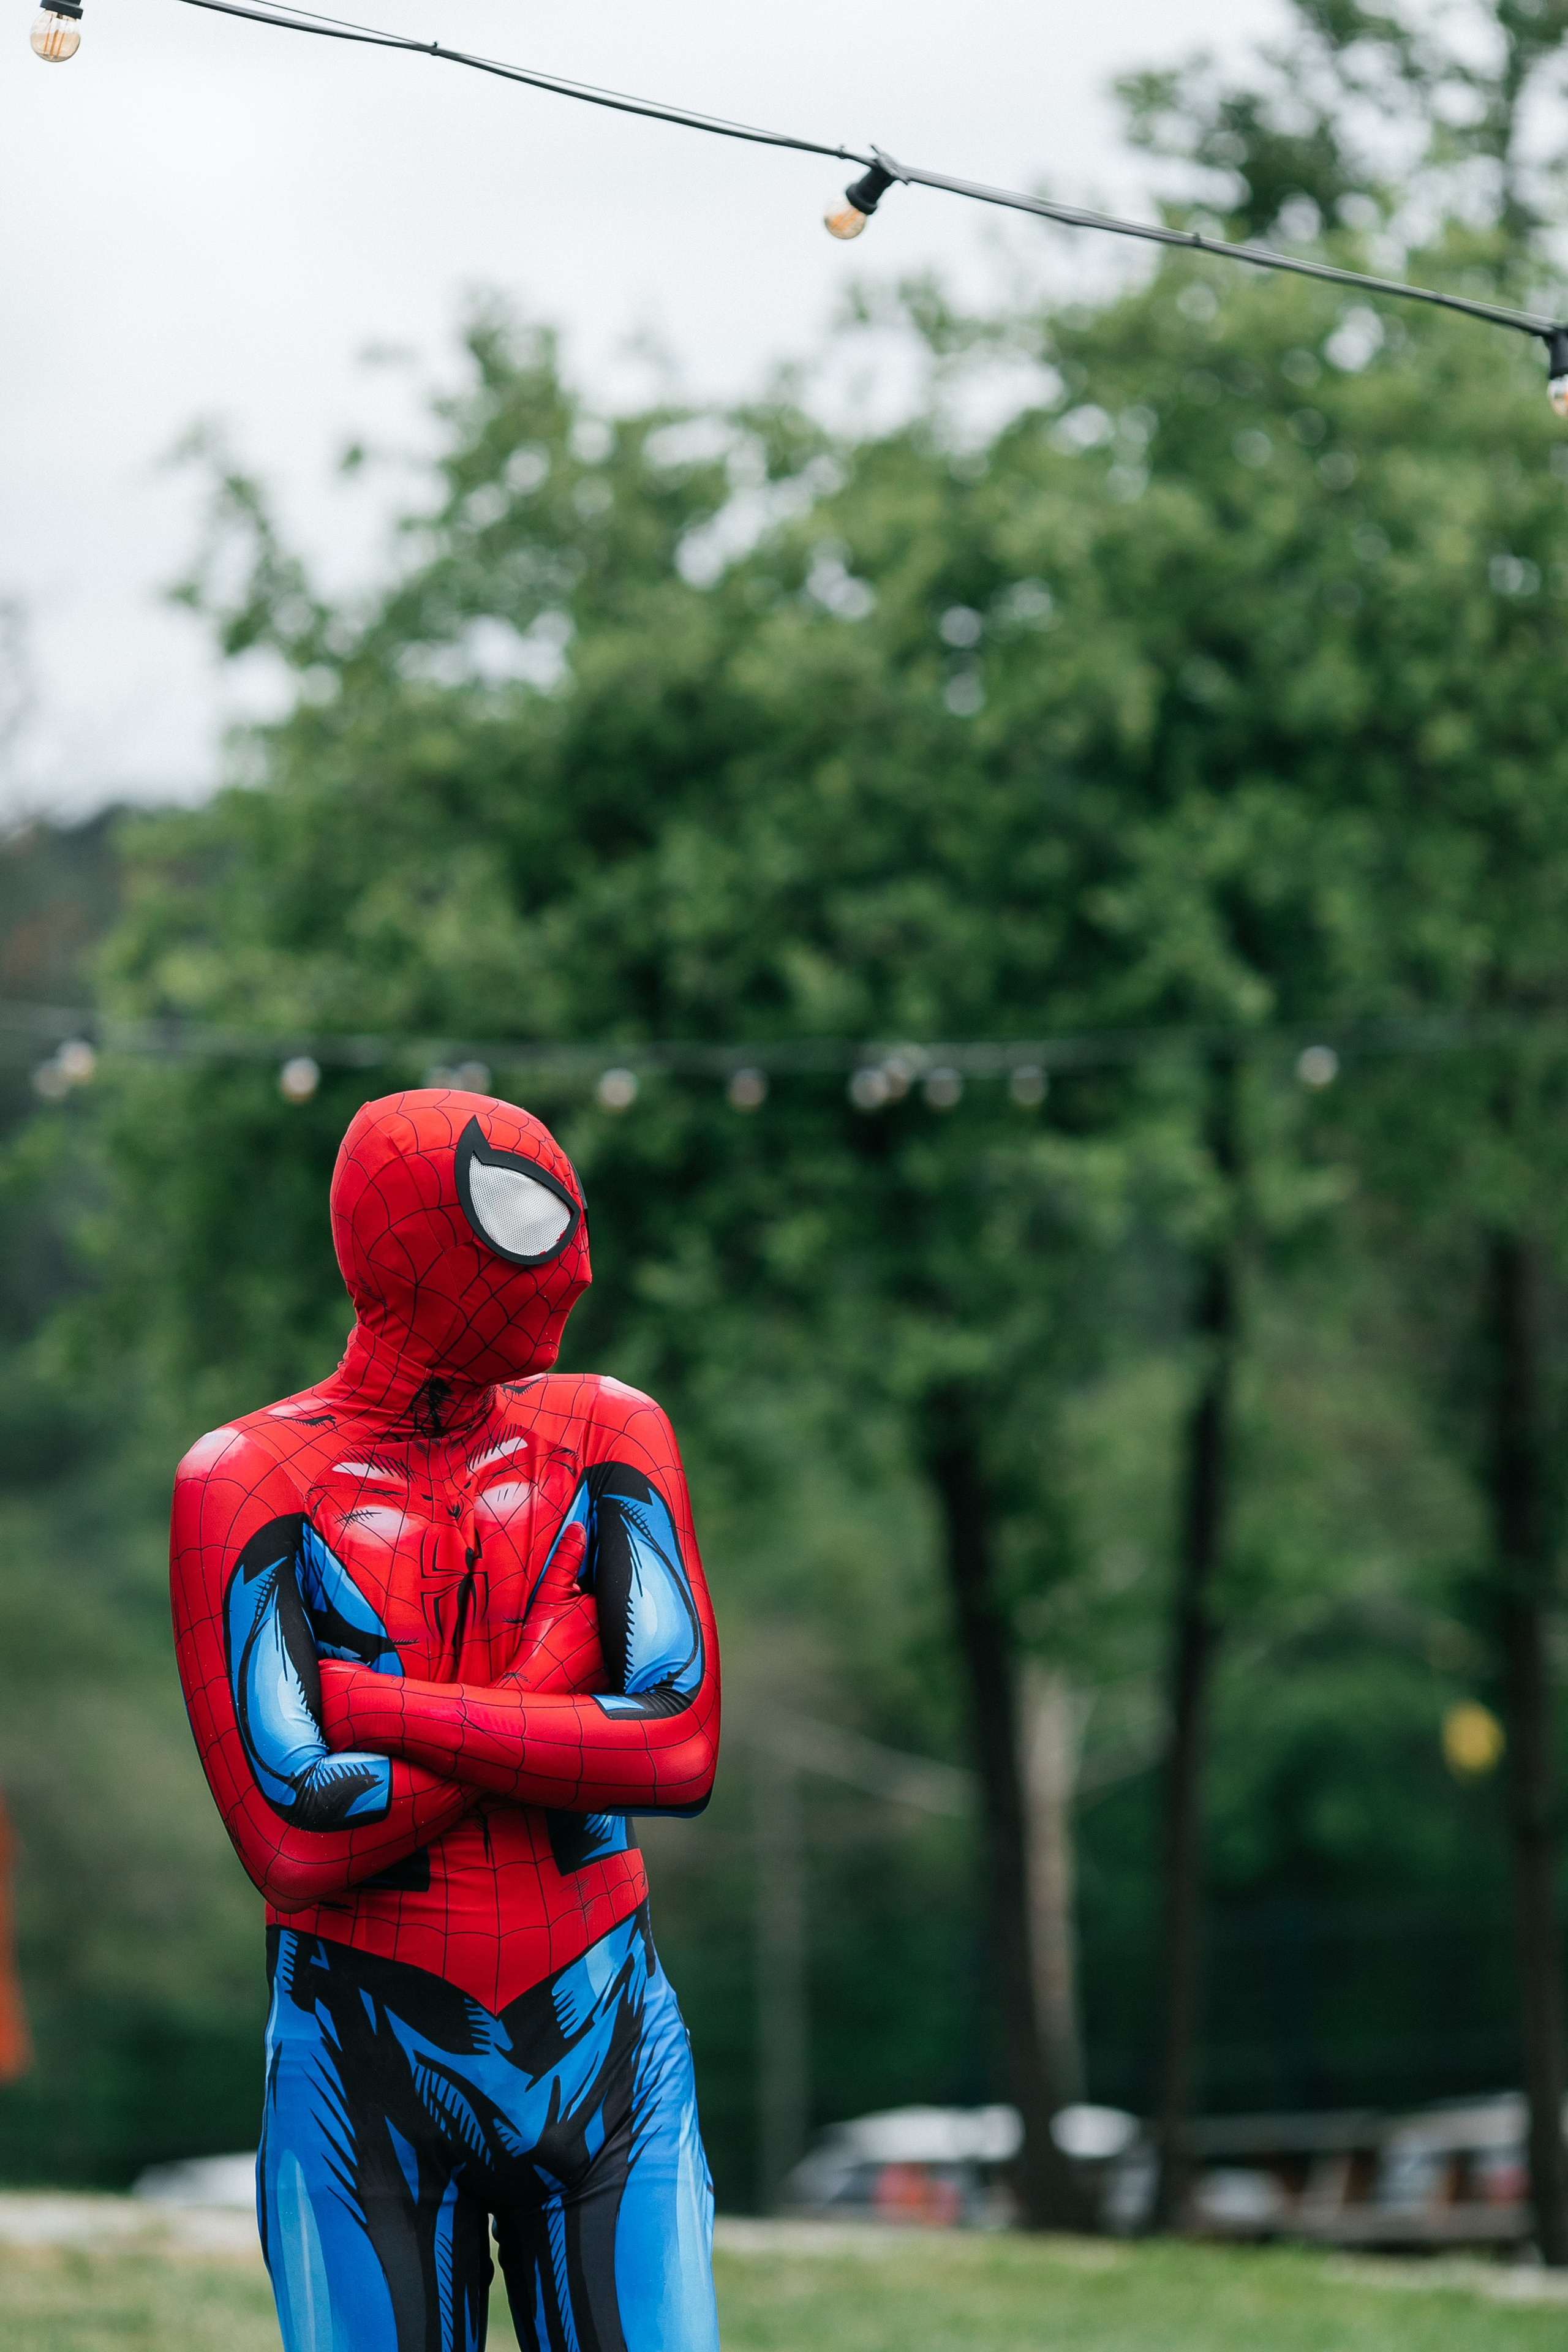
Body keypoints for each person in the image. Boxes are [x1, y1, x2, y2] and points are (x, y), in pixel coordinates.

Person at [170, 1088, 722, 2352]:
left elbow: (678, 1748)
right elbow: (294, 1838)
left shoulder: (608, 1431)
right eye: (524, 1221)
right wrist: (553, 1688)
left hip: (607, 2027)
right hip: (358, 2047)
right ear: (406, 1240)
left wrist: (377, 1706)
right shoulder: (248, 1477)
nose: (574, 1264)